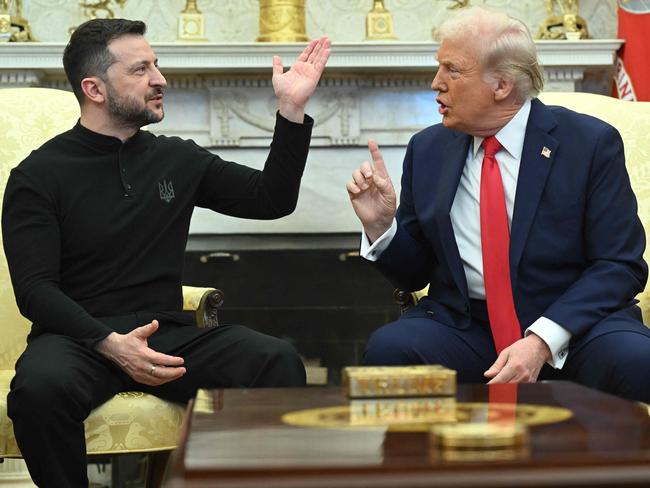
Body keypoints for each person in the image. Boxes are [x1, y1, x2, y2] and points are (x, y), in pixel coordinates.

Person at [2, 18, 330, 487]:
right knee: (37, 391)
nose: (160, 79)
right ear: (94, 88)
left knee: (274, 359)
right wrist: (109, 343)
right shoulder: (37, 175)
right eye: (141, 69)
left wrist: (291, 111)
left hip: (166, 336)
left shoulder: (177, 158)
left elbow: (271, 199)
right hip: (80, 340)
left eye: (156, 64)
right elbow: (35, 291)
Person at [347, 7, 650, 403]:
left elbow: (620, 265)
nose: (436, 83)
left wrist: (542, 339)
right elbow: (414, 272)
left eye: (452, 70)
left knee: (638, 360)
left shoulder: (589, 143)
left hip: (577, 326)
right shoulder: (428, 149)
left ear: (502, 85)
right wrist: (382, 228)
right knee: (391, 351)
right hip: (466, 325)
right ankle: (418, 468)